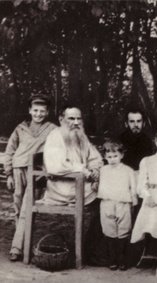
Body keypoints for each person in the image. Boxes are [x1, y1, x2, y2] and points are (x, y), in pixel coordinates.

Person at [8, 105, 103, 261]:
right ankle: (90, 252)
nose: (76, 122)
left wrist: (96, 172)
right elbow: (56, 166)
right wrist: (86, 172)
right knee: (106, 197)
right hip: (63, 189)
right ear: (61, 119)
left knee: (111, 195)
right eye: (71, 118)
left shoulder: (80, 135)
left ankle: (92, 249)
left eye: (79, 118)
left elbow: (95, 157)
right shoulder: (55, 136)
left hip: (80, 184)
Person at [4, 94, 56, 220]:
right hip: (18, 169)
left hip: (37, 171)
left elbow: (58, 150)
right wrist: (9, 174)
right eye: (35, 110)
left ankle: (27, 232)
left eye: (42, 111)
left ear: (47, 112)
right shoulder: (20, 128)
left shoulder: (52, 129)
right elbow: (10, 150)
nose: (38, 114)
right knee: (18, 199)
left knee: (32, 203)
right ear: (30, 110)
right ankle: (19, 234)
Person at [97, 141, 137, 271]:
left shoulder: (128, 170)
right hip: (107, 202)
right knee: (109, 229)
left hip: (123, 202)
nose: (112, 159)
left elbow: (133, 187)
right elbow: (97, 184)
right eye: (109, 157)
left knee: (124, 229)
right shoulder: (103, 170)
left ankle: (122, 259)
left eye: (115, 156)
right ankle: (112, 259)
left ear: (121, 155)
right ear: (104, 157)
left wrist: (134, 199)